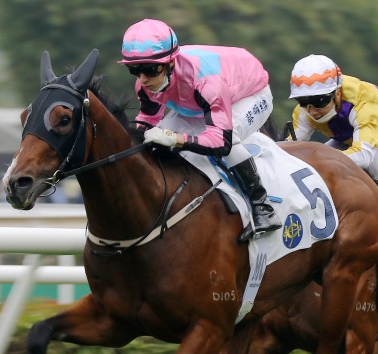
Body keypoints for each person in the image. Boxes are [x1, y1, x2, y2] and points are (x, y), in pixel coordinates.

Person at [118, 18, 281, 242]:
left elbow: (220, 142)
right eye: (134, 70)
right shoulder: (147, 83)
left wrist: (176, 139)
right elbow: (147, 119)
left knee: (230, 140)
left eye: (149, 69)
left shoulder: (207, 81)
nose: (143, 79)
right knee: (153, 141)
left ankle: (262, 206)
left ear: (171, 63)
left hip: (249, 95)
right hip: (196, 104)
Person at [288, 54, 378, 246]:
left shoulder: (362, 100)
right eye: (303, 101)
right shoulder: (305, 112)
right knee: (312, 159)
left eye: (319, 101)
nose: (312, 110)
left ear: (337, 92)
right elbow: (290, 151)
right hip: (349, 141)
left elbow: (364, 156)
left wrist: (321, 163)